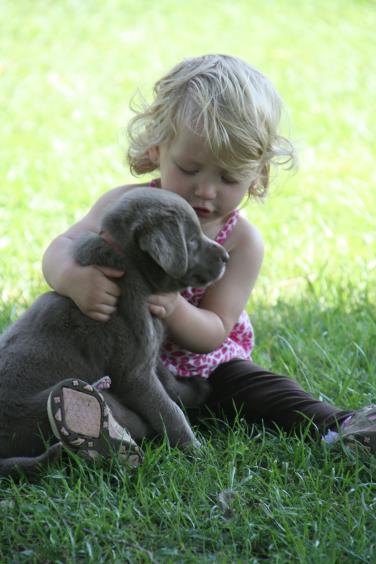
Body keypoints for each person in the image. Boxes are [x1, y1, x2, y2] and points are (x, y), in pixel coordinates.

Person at [42, 54, 375, 459]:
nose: (205, 191)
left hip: (207, 372)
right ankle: (97, 430)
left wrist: (173, 308)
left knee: (260, 388)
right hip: (120, 358)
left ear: (258, 177)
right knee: (75, 377)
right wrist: (71, 278)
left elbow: (216, 329)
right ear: (157, 148)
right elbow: (61, 246)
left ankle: (341, 425)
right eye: (189, 168)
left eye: (229, 178)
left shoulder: (241, 242)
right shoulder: (129, 207)